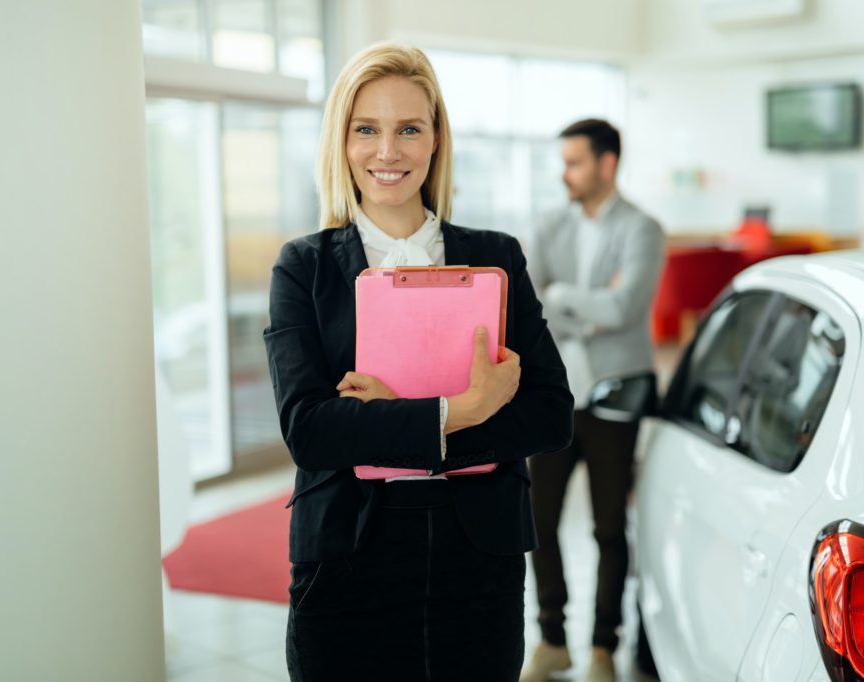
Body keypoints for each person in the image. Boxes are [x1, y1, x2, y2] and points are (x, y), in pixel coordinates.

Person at [263, 42, 573, 682]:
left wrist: (390, 425)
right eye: (366, 130)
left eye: (409, 128)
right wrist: (464, 410)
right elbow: (310, 431)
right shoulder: (306, 267)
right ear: (342, 143)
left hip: (478, 557)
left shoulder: (496, 258)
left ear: (436, 139)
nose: (387, 152)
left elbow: (551, 415)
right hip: (347, 555)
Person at [521, 119, 665, 682]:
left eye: (575, 162)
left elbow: (625, 308)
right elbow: (532, 304)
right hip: (554, 397)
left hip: (616, 397)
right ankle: (552, 638)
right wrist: (582, 304)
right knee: (539, 521)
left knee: (608, 527)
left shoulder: (642, 229)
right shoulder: (550, 225)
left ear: (607, 164)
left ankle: (604, 645)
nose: (565, 173)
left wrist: (562, 297)